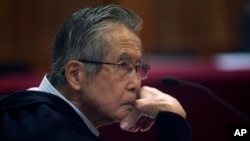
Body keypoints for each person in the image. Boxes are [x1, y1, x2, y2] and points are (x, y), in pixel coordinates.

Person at [0, 4, 191, 141]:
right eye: (123, 65)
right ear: (76, 75)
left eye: (137, 67)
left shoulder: (27, 113)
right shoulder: (54, 134)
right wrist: (173, 122)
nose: (135, 84)